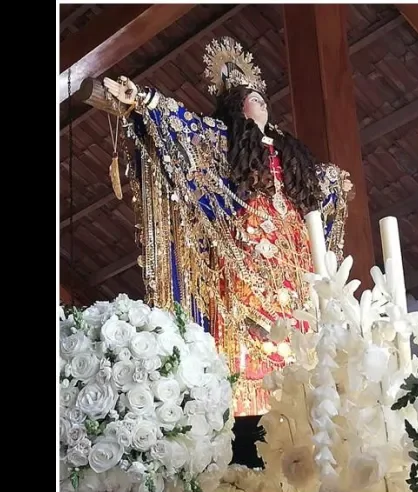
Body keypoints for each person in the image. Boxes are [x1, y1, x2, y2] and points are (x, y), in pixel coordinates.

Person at [103, 36, 352, 467]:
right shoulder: (220, 144)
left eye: (263, 98)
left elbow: (317, 186)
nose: (263, 104)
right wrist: (144, 100)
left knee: (298, 339)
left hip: (291, 264)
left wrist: (335, 184)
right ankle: (245, 433)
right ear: (236, 107)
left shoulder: (289, 152)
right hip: (243, 259)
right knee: (249, 339)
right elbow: (184, 130)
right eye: (252, 98)